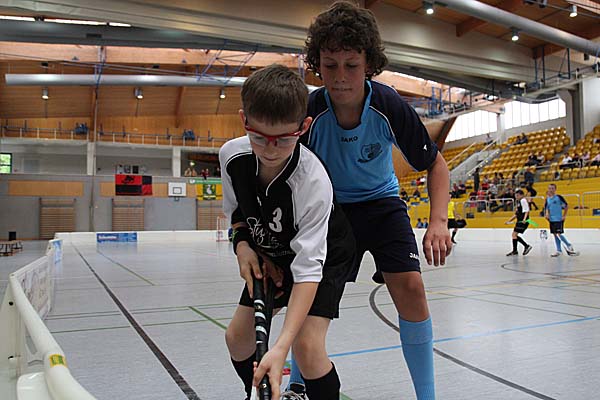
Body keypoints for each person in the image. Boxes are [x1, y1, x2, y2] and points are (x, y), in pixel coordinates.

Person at [286, 3, 452, 399]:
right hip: (329, 212)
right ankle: (297, 384)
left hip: (382, 206)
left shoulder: (388, 105)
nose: (340, 77)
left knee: (411, 288)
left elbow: (436, 164)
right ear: (317, 65)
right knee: (308, 296)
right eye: (330, 65)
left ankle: (427, 395)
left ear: (369, 65)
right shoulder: (310, 112)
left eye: (351, 65)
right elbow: (289, 174)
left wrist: (439, 222)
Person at [219, 65, 356, 400]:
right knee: (237, 339)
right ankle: (260, 392)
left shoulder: (313, 182)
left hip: (325, 256)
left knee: (306, 347)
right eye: (258, 138)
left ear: (303, 127)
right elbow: (238, 215)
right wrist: (243, 249)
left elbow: (308, 271)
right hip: (274, 252)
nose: (270, 150)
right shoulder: (231, 157)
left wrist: (281, 347)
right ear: (244, 121)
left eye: (283, 139)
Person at [544, 184, 579, 257]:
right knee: (555, 234)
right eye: (549, 188)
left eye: (552, 188)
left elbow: (566, 206)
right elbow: (547, 208)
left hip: (558, 218)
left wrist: (564, 215)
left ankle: (568, 245)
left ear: (555, 189)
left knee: (559, 233)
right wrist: (546, 214)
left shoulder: (558, 197)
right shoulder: (547, 199)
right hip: (551, 219)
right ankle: (559, 250)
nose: (551, 190)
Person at [505, 189, 533, 256]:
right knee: (514, 235)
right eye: (516, 195)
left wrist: (524, 219)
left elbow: (527, 211)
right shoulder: (519, 202)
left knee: (514, 235)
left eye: (517, 195)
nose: (516, 197)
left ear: (521, 195)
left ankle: (524, 247)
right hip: (519, 220)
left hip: (522, 221)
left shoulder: (523, 201)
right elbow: (516, 214)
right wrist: (509, 220)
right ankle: (517, 250)